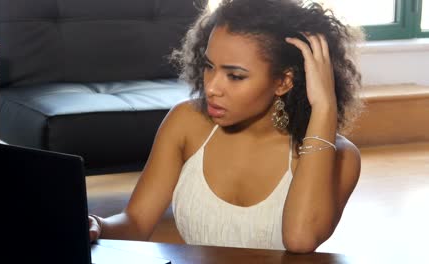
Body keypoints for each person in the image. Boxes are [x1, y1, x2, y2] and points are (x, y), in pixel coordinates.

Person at [88, 0, 363, 253]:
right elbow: (136, 222)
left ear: (284, 82)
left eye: (235, 76)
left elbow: (301, 238)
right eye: (209, 66)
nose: (211, 87)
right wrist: (98, 225)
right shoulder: (186, 122)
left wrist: (323, 108)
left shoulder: (340, 157)